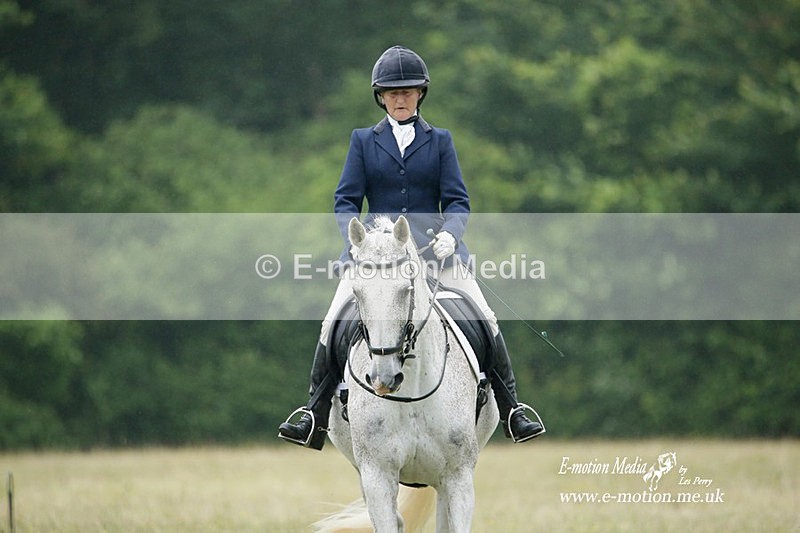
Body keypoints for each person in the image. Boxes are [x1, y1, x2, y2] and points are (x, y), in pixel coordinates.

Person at [278, 45, 544, 450]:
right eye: (392, 92)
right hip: (377, 258)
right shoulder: (363, 141)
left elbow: (458, 200)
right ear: (380, 97)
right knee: (332, 321)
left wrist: (451, 234)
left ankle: (512, 409)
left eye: (408, 91)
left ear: (420, 93)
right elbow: (345, 201)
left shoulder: (440, 141)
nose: (400, 99)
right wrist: (357, 242)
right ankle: (312, 413)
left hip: (435, 255)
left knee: (485, 317)